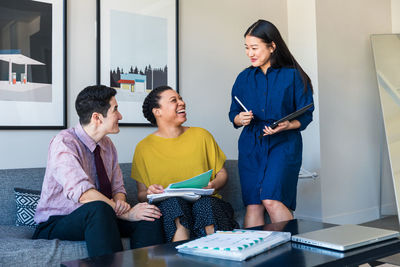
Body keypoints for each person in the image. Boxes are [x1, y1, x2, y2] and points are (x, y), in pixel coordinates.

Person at [33, 85, 164, 257]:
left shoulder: (108, 145)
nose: (120, 116)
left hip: (103, 217)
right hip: (56, 222)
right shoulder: (64, 143)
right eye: (115, 110)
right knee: (99, 209)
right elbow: (83, 193)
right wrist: (125, 213)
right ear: (97, 118)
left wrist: (121, 202)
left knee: (149, 214)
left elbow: (118, 188)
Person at [229, 20, 314, 227]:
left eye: (255, 48)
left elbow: (306, 114)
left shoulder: (293, 76)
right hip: (251, 144)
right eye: (247, 48)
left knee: (272, 199)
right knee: (254, 204)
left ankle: (290, 256)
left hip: (283, 144)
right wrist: (240, 119)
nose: (250, 53)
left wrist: (288, 125)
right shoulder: (244, 77)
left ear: (272, 46)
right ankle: (254, 257)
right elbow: (234, 112)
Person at [131, 85, 239, 242]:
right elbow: (141, 194)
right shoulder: (143, 147)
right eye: (174, 100)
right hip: (169, 208)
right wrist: (150, 192)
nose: (181, 103)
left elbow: (222, 174)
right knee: (174, 205)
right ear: (157, 111)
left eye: (180, 98)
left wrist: (213, 185)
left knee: (205, 205)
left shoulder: (202, 135)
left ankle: (217, 255)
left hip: (208, 203)